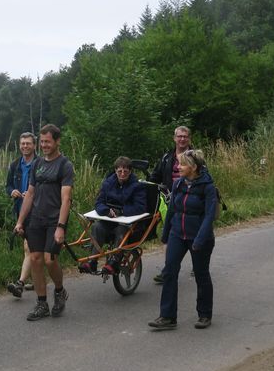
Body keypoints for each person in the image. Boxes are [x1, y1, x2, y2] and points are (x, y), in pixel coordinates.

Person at [148, 149, 217, 330]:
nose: (178, 167)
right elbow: (171, 210)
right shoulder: (178, 184)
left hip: (199, 237)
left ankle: (204, 314)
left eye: (182, 164)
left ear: (193, 167)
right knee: (170, 272)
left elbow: (210, 216)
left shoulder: (207, 186)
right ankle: (167, 317)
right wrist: (166, 234)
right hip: (178, 234)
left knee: (201, 275)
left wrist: (200, 240)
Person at [14, 124, 74, 321]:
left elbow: (66, 199)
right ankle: (41, 304)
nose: (44, 145)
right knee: (36, 259)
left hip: (54, 220)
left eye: (48, 141)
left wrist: (61, 227)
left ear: (57, 141)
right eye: (42, 142)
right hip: (36, 219)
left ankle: (59, 291)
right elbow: (30, 193)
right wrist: (20, 221)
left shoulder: (65, 165)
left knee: (50, 260)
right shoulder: (37, 164)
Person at [79, 156, 146, 275]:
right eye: (119, 171)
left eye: (126, 171)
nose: (122, 173)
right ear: (115, 170)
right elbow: (98, 203)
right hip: (110, 219)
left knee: (121, 230)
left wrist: (122, 211)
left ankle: (114, 263)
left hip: (127, 222)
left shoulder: (136, 186)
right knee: (97, 227)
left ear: (130, 171)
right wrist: (106, 211)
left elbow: (140, 207)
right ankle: (92, 261)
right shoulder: (108, 183)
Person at [150, 125, 193, 284]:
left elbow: (203, 178)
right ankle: (168, 270)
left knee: (191, 234)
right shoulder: (167, 157)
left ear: (189, 139)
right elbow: (155, 177)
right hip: (170, 201)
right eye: (179, 136)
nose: (182, 139)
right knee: (173, 234)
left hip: (191, 201)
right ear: (174, 138)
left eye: (185, 136)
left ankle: (195, 262)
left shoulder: (195, 157)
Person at [6, 131, 38, 297]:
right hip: (20, 212)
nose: (25, 146)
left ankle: (20, 283)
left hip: (37, 211)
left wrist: (32, 194)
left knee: (28, 247)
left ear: (34, 145)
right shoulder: (15, 165)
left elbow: (47, 188)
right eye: (22, 143)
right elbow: (8, 186)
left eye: (28, 143)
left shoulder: (40, 164)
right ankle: (37, 279)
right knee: (31, 248)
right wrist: (13, 192)